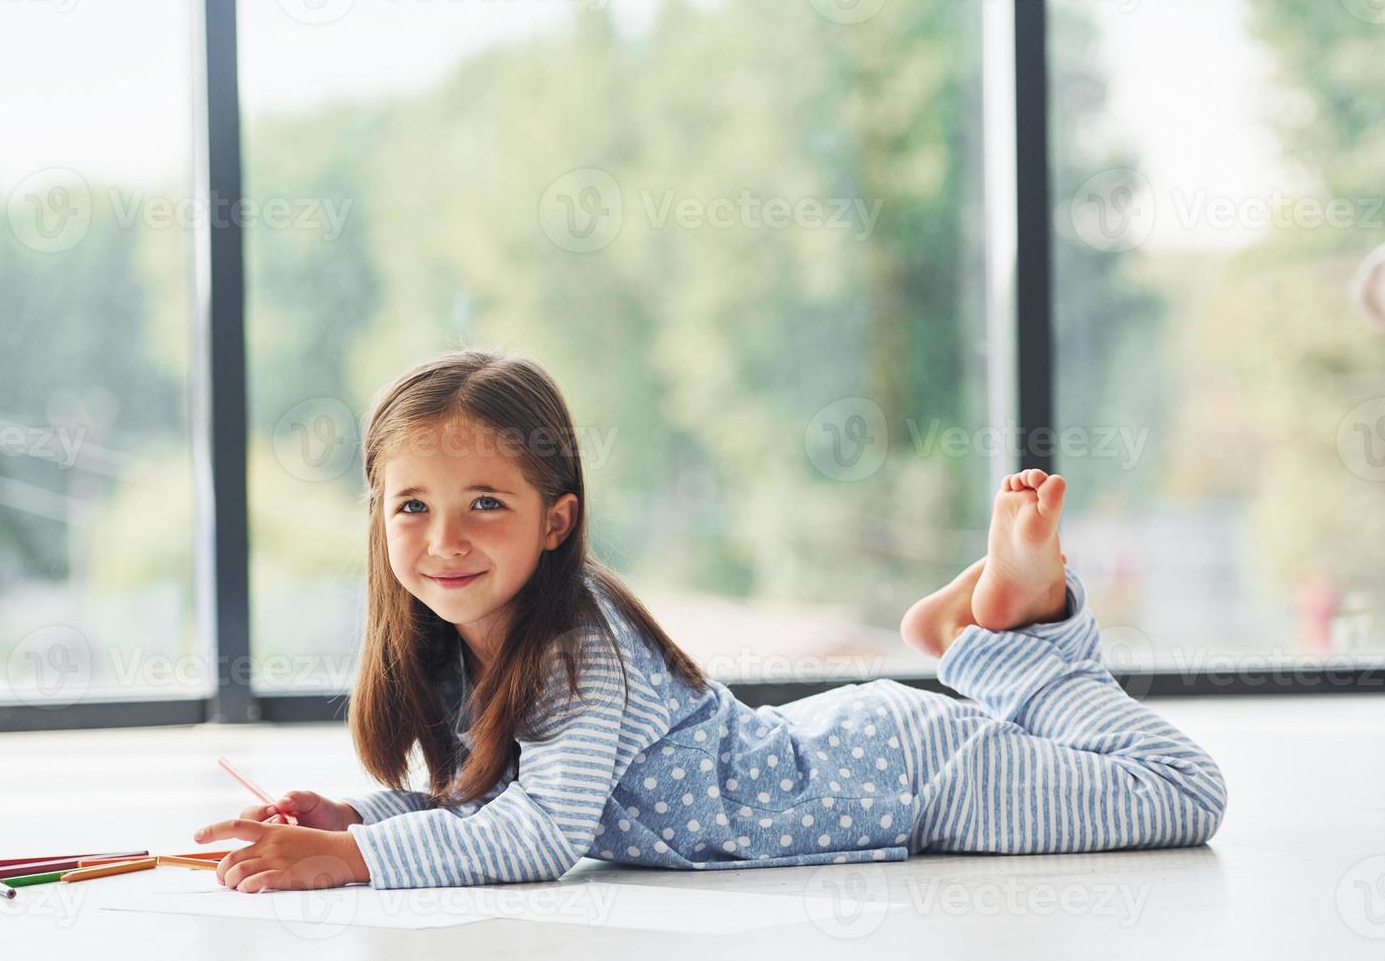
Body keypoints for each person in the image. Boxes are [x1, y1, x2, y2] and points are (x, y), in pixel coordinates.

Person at [193, 349, 1227, 892]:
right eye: (411, 506)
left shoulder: (574, 644)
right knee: (1151, 784)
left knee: (1183, 793)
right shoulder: (462, 644)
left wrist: (357, 862)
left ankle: (1011, 639)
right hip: (866, 756)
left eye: (486, 504)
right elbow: (498, 807)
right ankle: (994, 628)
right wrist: (357, 820)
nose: (444, 539)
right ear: (377, 518)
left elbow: (542, 835)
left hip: (912, 780)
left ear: (557, 521)